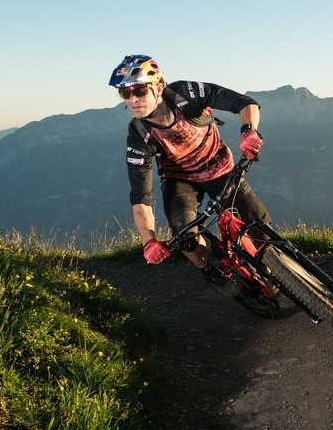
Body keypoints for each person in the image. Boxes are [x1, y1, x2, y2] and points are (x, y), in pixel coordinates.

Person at [108, 54, 271, 280]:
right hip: (180, 181)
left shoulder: (186, 93)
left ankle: (275, 264)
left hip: (219, 167)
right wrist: (149, 242)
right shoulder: (138, 135)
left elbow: (244, 103)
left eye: (140, 90)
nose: (133, 99)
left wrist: (249, 131)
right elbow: (141, 196)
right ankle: (211, 273)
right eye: (125, 93)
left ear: (159, 86)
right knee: (185, 238)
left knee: (259, 228)